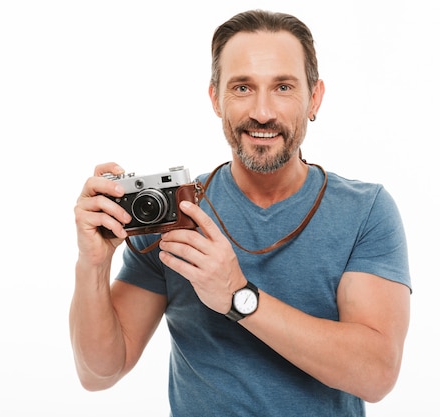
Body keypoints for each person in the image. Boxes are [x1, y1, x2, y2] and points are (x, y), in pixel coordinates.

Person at [70, 9, 411, 417]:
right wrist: (92, 264)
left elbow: (376, 374)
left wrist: (236, 296)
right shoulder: (174, 213)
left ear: (314, 98)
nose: (262, 112)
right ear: (216, 98)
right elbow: (99, 374)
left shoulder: (365, 211)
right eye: (242, 88)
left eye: (283, 87)